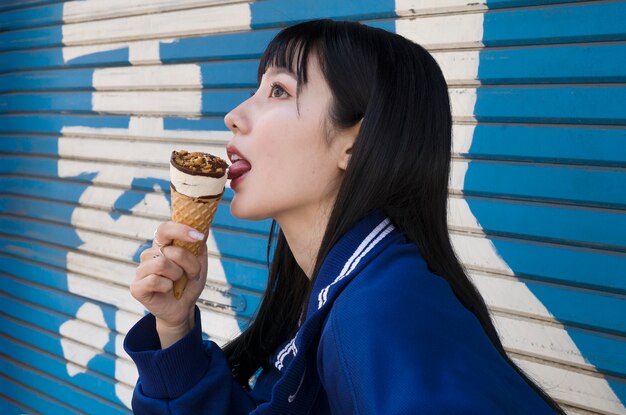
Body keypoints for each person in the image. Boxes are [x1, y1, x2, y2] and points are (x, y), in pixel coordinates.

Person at [124, 19, 564, 414]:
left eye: (279, 90)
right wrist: (175, 326)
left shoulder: (385, 308)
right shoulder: (333, 296)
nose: (234, 116)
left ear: (354, 144)